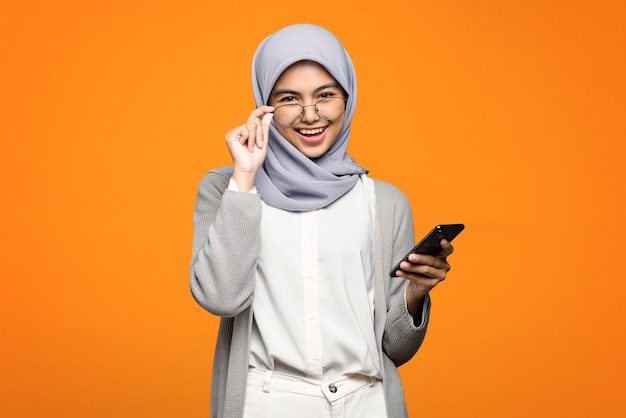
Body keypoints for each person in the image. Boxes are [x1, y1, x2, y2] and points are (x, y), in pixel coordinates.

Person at [189, 23, 454, 418]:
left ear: (348, 98)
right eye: (289, 98)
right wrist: (244, 179)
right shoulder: (226, 188)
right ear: (265, 102)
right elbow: (221, 298)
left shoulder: (385, 202)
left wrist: (414, 294)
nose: (309, 115)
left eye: (326, 95)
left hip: (366, 404)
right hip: (267, 402)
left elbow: (396, 349)